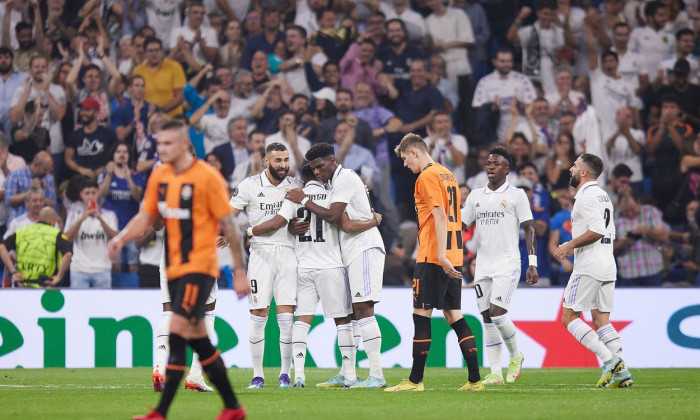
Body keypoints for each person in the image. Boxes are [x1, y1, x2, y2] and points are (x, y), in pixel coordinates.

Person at [107, 119, 249, 420]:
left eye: (168, 144)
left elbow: (230, 229)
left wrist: (239, 271)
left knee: (177, 331)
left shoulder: (208, 178)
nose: (162, 150)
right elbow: (145, 217)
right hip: (172, 266)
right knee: (198, 338)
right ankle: (233, 408)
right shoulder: (159, 176)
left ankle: (160, 412)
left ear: (186, 145)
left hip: (200, 266)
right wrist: (121, 238)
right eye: (159, 144)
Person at [252, 163, 376, 388]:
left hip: (304, 267)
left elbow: (279, 222)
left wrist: (287, 227)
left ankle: (298, 374)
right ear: (319, 176)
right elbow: (342, 220)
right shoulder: (331, 194)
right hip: (331, 265)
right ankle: (349, 375)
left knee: (302, 319)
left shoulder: (294, 197)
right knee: (343, 322)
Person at [385, 133, 482, 392]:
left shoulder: (426, 176)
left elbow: (439, 216)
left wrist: (439, 256)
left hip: (433, 255)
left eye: (405, 159)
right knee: (453, 316)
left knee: (421, 315)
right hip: (455, 253)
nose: (406, 165)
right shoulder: (447, 173)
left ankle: (415, 381)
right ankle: (475, 380)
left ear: (414, 152)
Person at [286, 143, 386, 388]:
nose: (318, 172)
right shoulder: (334, 183)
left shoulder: (345, 178)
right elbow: (344, 221)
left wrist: (304, 199)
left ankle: (377, 375)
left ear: (332, 160)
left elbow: (336, 219)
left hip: (362, 248)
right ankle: (347, 372)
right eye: (314, 169)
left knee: (363, 309)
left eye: (320, 166)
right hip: (349, 253)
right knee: (352, 313)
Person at [554, 153, 632, 388]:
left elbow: (597, 230)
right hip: (607, 264)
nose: (571, 168)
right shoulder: (603, 196)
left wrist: (569, 244)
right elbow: (610, 231)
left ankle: (610, 360)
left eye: (575, 165)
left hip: (589, 266)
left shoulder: (586, 197)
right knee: (601, 320)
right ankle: (622, 374)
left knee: (569, 318)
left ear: (584, 173)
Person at [461, 146, 538, 385]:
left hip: (508, 263)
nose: (490, 167)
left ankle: (516, 356)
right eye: (488, 163)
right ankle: (495, 372)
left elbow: (529, 228)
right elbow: (461, 226)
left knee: (497, 313)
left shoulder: (516, 195)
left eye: (496, 164)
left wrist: (532, 262)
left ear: (507, 169)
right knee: (486, 316)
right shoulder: (475, 196)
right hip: (482, 265)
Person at [228, 142, 303, 389]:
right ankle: (257, 375)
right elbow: (228, 214)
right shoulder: (249, 186)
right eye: (278, 160)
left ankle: (285, 374)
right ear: (266, 162)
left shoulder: (293, 186)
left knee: (285, 317)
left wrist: (295, 226)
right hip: (260, 255)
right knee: (259, 315)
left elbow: (292, 221)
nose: (283, 165)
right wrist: (226, 233)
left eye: (285, 160)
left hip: (288, 253)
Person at [97, 142, 146, 274]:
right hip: (113, 229)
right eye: (118, 152)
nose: (122, 155)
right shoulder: (104, 174)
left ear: (129, 156)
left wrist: (129, 179)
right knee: (115, 267)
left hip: (132, 229)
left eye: (125, 152)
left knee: (133, 267)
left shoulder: (136, 175)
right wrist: (108, 174)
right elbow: (100, 194)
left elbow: (138, 197)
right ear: (113, 155)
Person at [64, 179, 117, 289]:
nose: (90, 196)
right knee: (80, 306)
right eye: (87, 193)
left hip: (102, 269)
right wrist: (82, 218)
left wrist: (100, 218)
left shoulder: (109, 215)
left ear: (98, 194)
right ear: (81, 195)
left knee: (103, 305)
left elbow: (115, 237)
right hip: (79, 270)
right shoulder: (73, 215)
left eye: (93, 193)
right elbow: (67, 238)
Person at [0, 207, 69, 288]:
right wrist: (59, 276)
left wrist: (13, 272)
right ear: (52, 221)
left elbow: (1, 247)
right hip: (47, 286)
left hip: (22, 285)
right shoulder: (57, 234)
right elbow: (67, 254)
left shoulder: (22, 232)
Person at [613, 190, 667, 286]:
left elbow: (663, 236)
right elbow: (608, 248)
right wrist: (621, 243)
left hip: (652, 270)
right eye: (626, 211)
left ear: (638, 203)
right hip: (628, 273)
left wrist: (646, 230)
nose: (630, 213)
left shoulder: (651, 211)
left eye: (632, 209)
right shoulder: (615, 218)